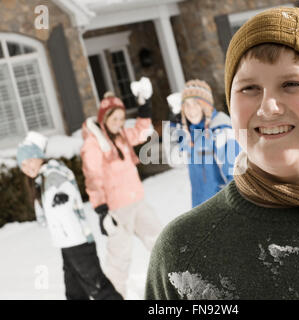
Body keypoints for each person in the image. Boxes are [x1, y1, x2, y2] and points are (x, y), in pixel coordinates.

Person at [145, 7, 299, 300]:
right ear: (231, 109)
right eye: (249, 88)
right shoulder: (182, 253)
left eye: (291, 84)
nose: (268, 106)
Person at [81, 77, 162, 299]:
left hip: (138, 202)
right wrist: (101, 210)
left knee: (160, 242)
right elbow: (93, 178)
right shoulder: (93, 144)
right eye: (115, 118)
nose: (119, 122)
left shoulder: (122, 135)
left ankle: (177, 286)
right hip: (117, 211)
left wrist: (144, 106)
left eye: (121, 117)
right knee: (119, 260)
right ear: (104, 118)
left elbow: (142, 131)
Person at [17, 131, 122, 300]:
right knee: (75, 292)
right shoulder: (41, 178)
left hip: (77, 242)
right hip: (66, 243)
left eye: (30, 160)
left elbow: (63, 187)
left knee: (98, 288)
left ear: (39, 157)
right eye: (22, 165)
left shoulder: (53, 174)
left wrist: (62, 197)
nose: (27, 167)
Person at [163, 79, 241, 208]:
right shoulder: (191, 131)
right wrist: (173, 126)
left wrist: (231, 207)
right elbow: (175, 160)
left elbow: (235, 174)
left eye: (196, 104)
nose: (190, 109)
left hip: (222, 206)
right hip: (200, 205)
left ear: (206, 106)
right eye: (186, 105)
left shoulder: (220, 129)